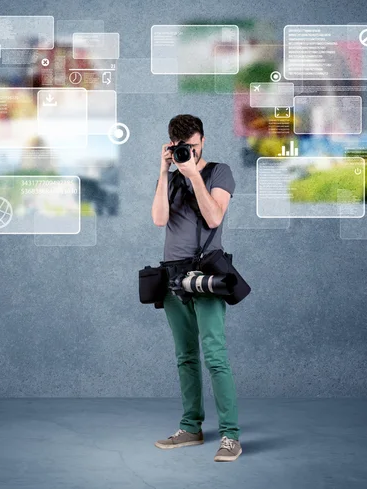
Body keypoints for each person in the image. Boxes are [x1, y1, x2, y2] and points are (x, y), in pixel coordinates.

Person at [151, 114, 242, 462]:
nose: (187, 151)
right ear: (172, 145)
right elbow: (159, 219)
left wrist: (193, 176)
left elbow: (214, 217)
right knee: (185, 357)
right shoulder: (171, 179)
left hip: (205, 275)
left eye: (191, 144)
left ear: (202, 140)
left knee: (215, 356)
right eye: (180, 147)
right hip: (172, 277)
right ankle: (191, 428)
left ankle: (231, 436)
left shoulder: (219, 172)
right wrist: (165, 173)